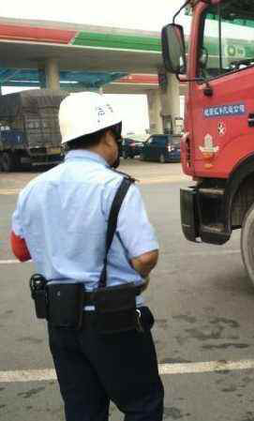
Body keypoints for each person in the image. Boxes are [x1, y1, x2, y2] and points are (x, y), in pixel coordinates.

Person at [10, 92, 164, 420]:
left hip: (61, 321)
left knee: (82, 409)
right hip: (114, 318)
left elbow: (19, 250)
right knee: (142, 404)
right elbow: (146, 255)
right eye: (117, 138)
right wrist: (140, 275)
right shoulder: (117, 187)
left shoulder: (33, 189)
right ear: (107, 136)